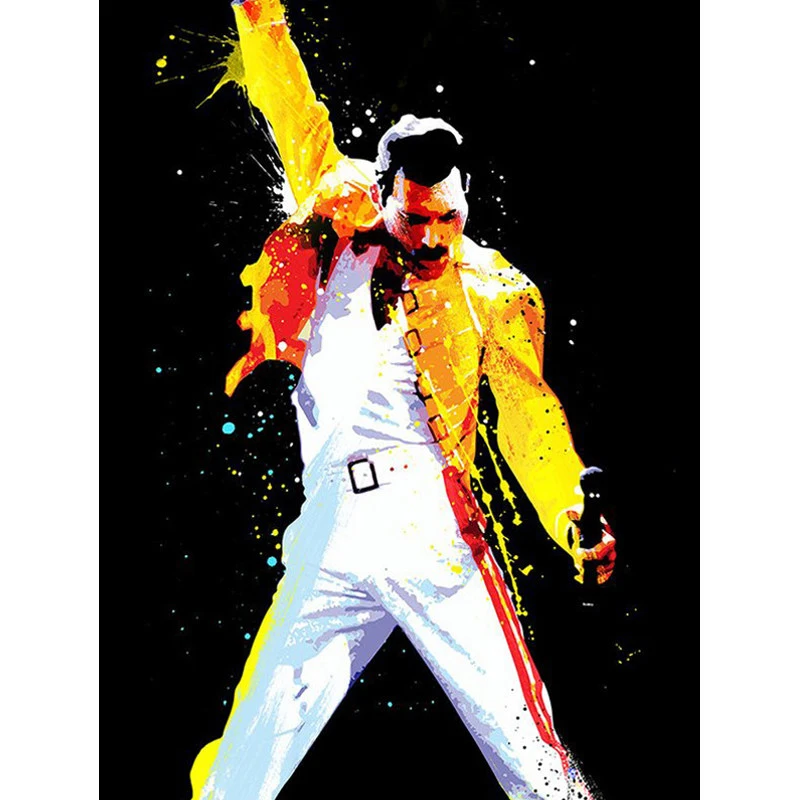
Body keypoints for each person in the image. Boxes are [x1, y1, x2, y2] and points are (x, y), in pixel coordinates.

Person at [190, 1, 617, 798]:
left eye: (448, 218)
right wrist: (259, 14)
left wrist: (569, 514)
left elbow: (530, 418)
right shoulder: (335, 213)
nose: (432, 238)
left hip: (436, 530)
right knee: (242, 770)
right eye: (416, 220)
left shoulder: (494, 288)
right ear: (384, 195)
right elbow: (291, 102)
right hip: (328, 532)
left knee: (534, 760)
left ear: (467, 199)